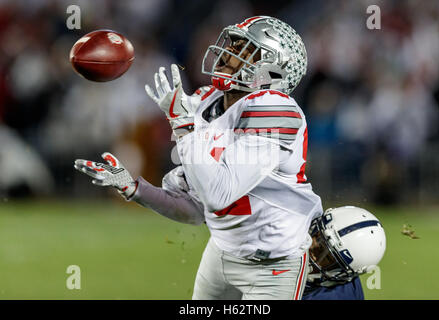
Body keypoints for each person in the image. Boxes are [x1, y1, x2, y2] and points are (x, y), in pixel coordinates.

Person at [74, 16, 323, 300]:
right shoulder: (206, 102)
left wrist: (183, 125)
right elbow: (194, 210)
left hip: (273, 264)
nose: (228, 53)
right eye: (233, 44)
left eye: (245, 49)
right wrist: (135, 189)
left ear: (273, 69)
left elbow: (219, 194)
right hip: (222, 251)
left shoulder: (275, 108)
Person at [303, 206, 386, 300]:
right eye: (318, 238)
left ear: (341, 274)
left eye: (327, 258)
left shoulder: (333, 296)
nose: (311, 249)